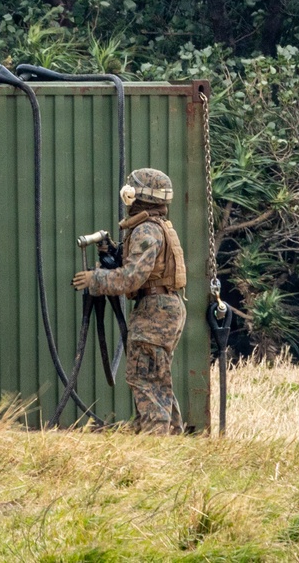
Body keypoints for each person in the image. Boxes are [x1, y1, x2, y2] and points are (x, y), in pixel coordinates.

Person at [71, 168, 187, 434]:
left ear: (140, 198)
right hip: (162, 308)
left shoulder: (146, 230)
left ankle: (154, 447)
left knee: (147, 381)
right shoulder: (156, 227)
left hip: (155, 312)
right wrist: (114, 254)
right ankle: (172, 439)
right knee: (157, 378)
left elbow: (132, 278)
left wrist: (95, 279)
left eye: (129, 193)